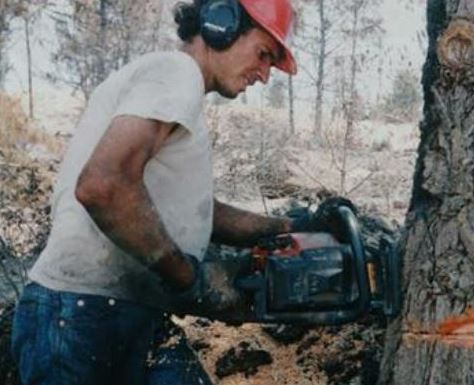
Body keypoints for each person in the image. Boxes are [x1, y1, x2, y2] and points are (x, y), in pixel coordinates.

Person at [11, 0, 355, 384]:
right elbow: (102, 185)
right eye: (263, 55)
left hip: (126, 309)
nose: (263, 75)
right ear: (220, 23)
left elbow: (199, 211)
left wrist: (289, 225)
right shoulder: (174, 74)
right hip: (79, 313)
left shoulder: (176, 92)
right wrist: (187, 278)